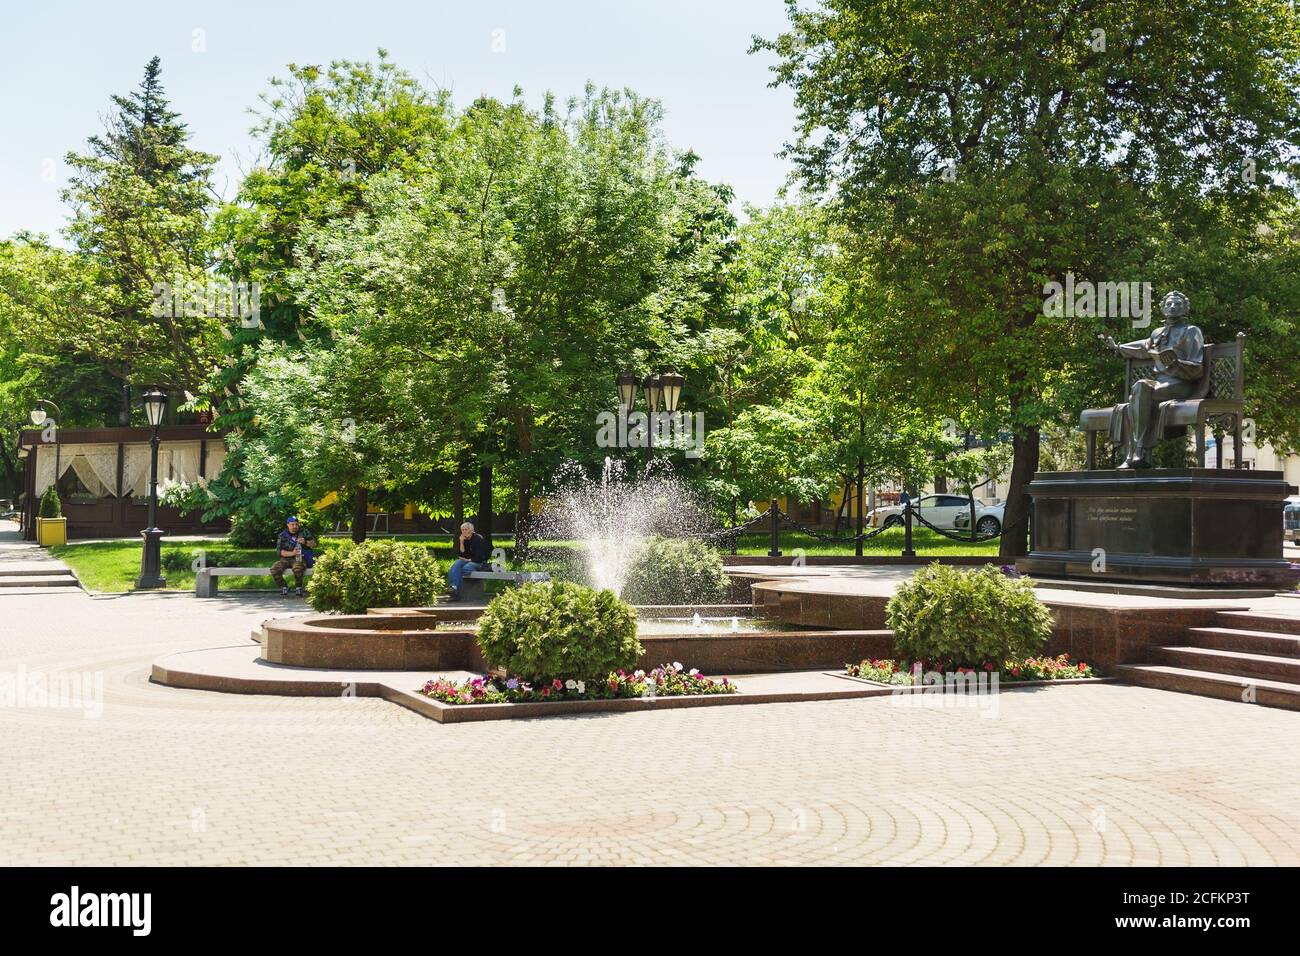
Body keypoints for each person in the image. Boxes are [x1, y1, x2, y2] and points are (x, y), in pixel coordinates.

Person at [1100, 290, 1205, 469]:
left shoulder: (1191, 331)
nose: (1172, 307)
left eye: (1177, 304)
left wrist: (1177, 363)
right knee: (1136, 395)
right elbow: (1143, 347)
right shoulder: (1158, 333)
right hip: (1161, 384)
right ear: (1163, 308)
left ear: (1185, 308)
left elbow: (1197, 367)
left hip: (1183, 385)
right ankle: (1137, 454)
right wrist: (1118, 347)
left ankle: (1138, 451)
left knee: (1139, 393)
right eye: (1169, 304)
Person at [271, 516, 316, 597]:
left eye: (296, 524)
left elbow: (314, 544)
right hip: (286, 559)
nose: (295, 526)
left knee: (298, 568)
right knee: (274, 569)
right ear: (288, 525)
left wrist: (305, 542)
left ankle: (298, 588)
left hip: (300, 558)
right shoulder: (282, 535)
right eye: (292, 524)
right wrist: (292, 553)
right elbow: (279, 552)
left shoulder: (304, 532)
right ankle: (284, 587)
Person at [447, 521, 489, 600]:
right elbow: (461, 555)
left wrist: (469, 560)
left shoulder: (478, 538)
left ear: (471, 530)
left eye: (465, 529)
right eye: (462, 530)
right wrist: (461, 542)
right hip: (468, 561)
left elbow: (481, 556)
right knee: (456, 563)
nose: (463, 532)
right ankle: (453, 587)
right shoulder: (465, 539)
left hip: (479, 563)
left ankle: (456, 594)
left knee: (462, 569)